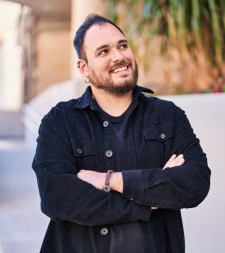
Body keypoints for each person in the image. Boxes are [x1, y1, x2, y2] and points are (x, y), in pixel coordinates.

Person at [32, 13, 211, 253]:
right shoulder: (60, 121)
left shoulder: (168, 116)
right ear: (84, 68)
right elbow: (56, 198)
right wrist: (148, 201)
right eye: (103, 51)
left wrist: (109, 180)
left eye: (122, 46)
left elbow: (195, 182)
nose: (119, 57)